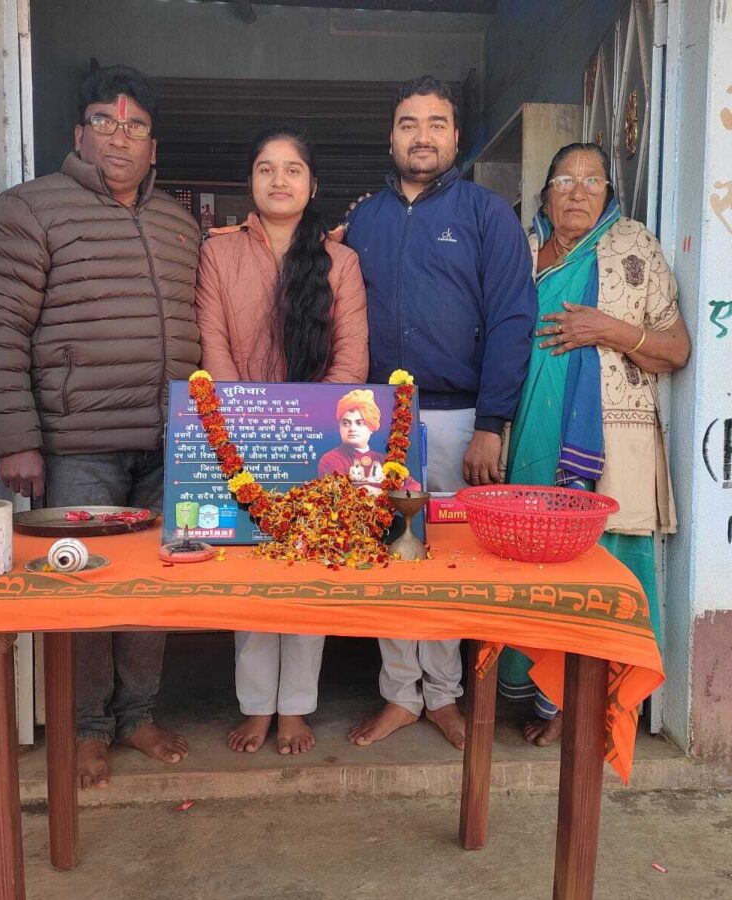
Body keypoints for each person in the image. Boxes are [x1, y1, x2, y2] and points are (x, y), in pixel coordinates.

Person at [0, 63, 201, 788]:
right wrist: (17, 440)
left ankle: (137, 716)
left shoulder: (178, 223)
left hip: (168, 445)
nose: (119, 137)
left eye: (134, 126)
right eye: (105, 121)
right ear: (79, 134)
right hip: (78, 448)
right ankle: (87, 727)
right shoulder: (30, 210)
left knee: (153, 589)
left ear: (153, 145)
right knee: (84, 592)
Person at [343, 76, 538, 750]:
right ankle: (401, 693)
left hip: (459, 417)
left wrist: (491, 423)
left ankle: (446, 695)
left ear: (456, 137)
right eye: (408, 123)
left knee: (450, 560)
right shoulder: (363, 221)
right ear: (390, 136)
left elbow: (513, 319)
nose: (421, 135)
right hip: (378, 418)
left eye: (435, 123)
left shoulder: (488, 215)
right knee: (389, 558)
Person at [498, 142, 691, 746]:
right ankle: (541, 693)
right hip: (528, 430)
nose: (578, 191)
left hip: (607, 439)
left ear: (609, 193)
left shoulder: (635, 246)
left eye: (592, 180)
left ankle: (586, 708)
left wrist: (607, 329)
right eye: (565, 180)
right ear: (545, 193)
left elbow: (676, 350)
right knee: (534, 561)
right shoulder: (519, 248)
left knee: (599, 568)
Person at [194, 126, 369, 755]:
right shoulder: (218, 254)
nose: (278, 180)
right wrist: (248, 424)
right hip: (244, 438)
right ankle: (256, 706)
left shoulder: (341, 263)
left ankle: (294, 707)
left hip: (316, 443)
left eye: (292, 169)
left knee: (308, 574)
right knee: (249, 573)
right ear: (250, 181)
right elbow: (213, 343)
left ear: (312, 185)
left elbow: (351, 360)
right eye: (265, 168)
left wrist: (309, 428)